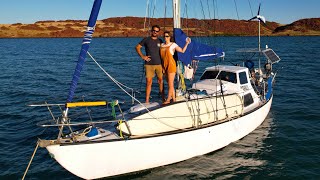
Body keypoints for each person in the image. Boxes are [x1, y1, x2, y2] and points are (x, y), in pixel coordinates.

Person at [135, 25, 165, 103]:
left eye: (157, 31)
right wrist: (142, 56)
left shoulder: (160, 41)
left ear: (159, 32)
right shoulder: (146, 40)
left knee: (161, 81)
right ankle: (147, 101)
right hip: (149, 64)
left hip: (159, 64)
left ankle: (163, 98)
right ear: (151, 31)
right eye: (154, 30)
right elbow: (137, 47)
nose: (155, 32)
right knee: (149, 82)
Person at [160, 31, 191, 104]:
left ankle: (168, 100)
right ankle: (174, 99)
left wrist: (187, 43)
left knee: (170, 83)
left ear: (170, 37)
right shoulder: (161, 45)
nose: (165, 38)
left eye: (167, 36)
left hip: (171, 65)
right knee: (169, 84)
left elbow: (182, 51)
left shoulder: (173, 45)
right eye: (164, 36)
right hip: (164, 65)